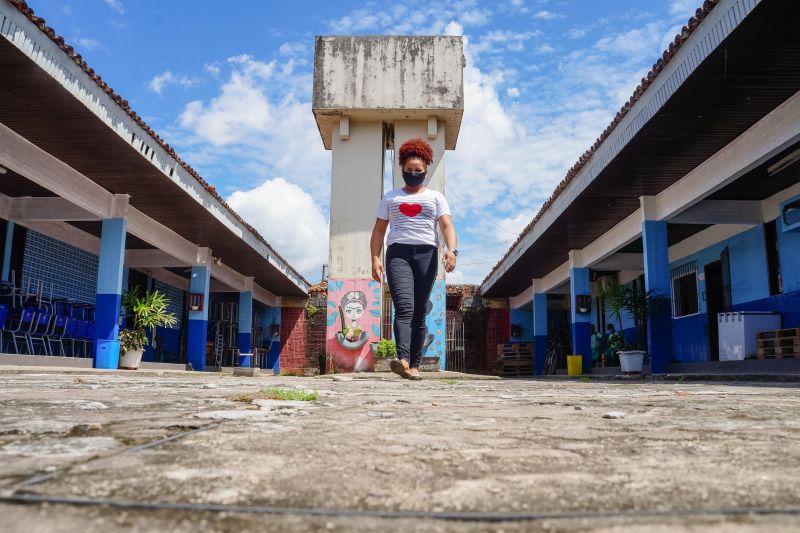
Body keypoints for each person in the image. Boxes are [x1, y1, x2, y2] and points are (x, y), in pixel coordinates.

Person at [370, 137, 458, 380]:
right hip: (398, 254)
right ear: (402, 169)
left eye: (418, 171)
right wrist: (375, 258)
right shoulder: (391, 198)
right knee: (404, 307)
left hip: (427, 255)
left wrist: (452, 250)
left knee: (419, 311)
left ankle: (415, 365)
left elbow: (447, 225)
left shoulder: (436, 197)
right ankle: (404, 359)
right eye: (408, 170)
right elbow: (378, 230)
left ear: (426, 170)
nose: (413, 174)